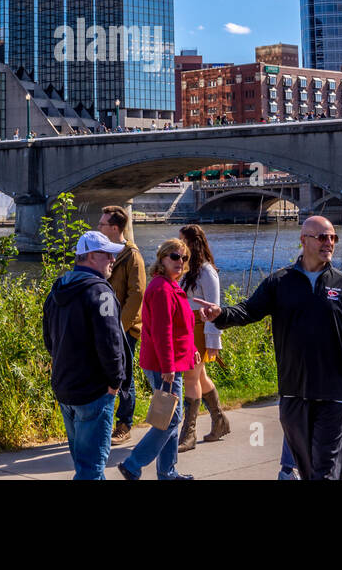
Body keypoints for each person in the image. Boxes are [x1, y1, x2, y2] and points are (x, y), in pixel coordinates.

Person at [197, 216, 342, 480]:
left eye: (333, 237)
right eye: (322, 237)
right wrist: (220, 314)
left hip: (335, 392)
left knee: (326, 472)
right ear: (304, 240)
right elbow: (248, 310)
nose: (329, 243)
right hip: (294, 391)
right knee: (309, 471)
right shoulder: (280, 282)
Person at [42, 231, 128, 479]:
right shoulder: (101, 292)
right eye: (108, 254)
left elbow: (49, 339)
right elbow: (111, 342)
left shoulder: (57, 290)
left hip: (65, 388)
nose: (113, 259)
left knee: (84, 463)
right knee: (90, 468)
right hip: (94, 392)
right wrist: (115, 382)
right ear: (91, 256)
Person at [117, 239, 197, 481]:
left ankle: (167, 472)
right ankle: (133, 464)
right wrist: (168, 367)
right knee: (172, 419)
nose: (180, 262)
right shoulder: (161, 288)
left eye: (184, 258)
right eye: (175, 257)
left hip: (173, 362)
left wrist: (192, 347)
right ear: (162, 258)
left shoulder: (170, 286)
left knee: (170, 416)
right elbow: (162, 331)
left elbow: (181, 325)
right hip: (164, 365)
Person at [178, 224, 229, 450]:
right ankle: (220, 421)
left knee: (190, 378)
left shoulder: (207, 271)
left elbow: (214, 309)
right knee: (198, 378)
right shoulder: (185, 269)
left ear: (192, 243)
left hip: (198, 327)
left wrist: (213, 342)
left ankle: (189, 433)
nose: (178, 245)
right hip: (184, 327)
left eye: (182, 240)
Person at [101, 205, 147, 445]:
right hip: (106, 326)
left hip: (125, 329)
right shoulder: (105, 251)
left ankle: (124, 424)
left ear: (115, 228)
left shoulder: (132, 256)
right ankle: (104, 421)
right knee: (105, 373)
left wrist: (120, 326)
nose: (98, 227)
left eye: (102, 224)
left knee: (125, 376)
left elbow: (137, 294)